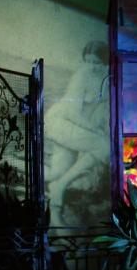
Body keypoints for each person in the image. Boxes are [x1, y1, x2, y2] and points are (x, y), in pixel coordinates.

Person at [44, 41, 109, 228]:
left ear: (105, 62)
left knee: (57, 172)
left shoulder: (107, 79)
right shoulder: (81, 76)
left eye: (96, 62)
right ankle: (59, 187)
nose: (91, 66)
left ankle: (55, 200)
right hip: (61, 122)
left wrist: (98, 127)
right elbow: (73, 112)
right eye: (88, 61)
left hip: (76, 126)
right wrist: (92, 130)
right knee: (104, 146)